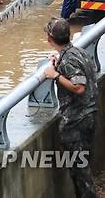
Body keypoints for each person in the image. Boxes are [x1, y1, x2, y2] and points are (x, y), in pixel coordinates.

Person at [43, 18, 98, 198]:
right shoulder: (77, 52)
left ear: (50, 38)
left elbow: (79, 87)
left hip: (76, 122)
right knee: (82, 166)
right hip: (88, 116)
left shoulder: (69, 60)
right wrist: (58, 64)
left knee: (79, 170)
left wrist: (55, 75)